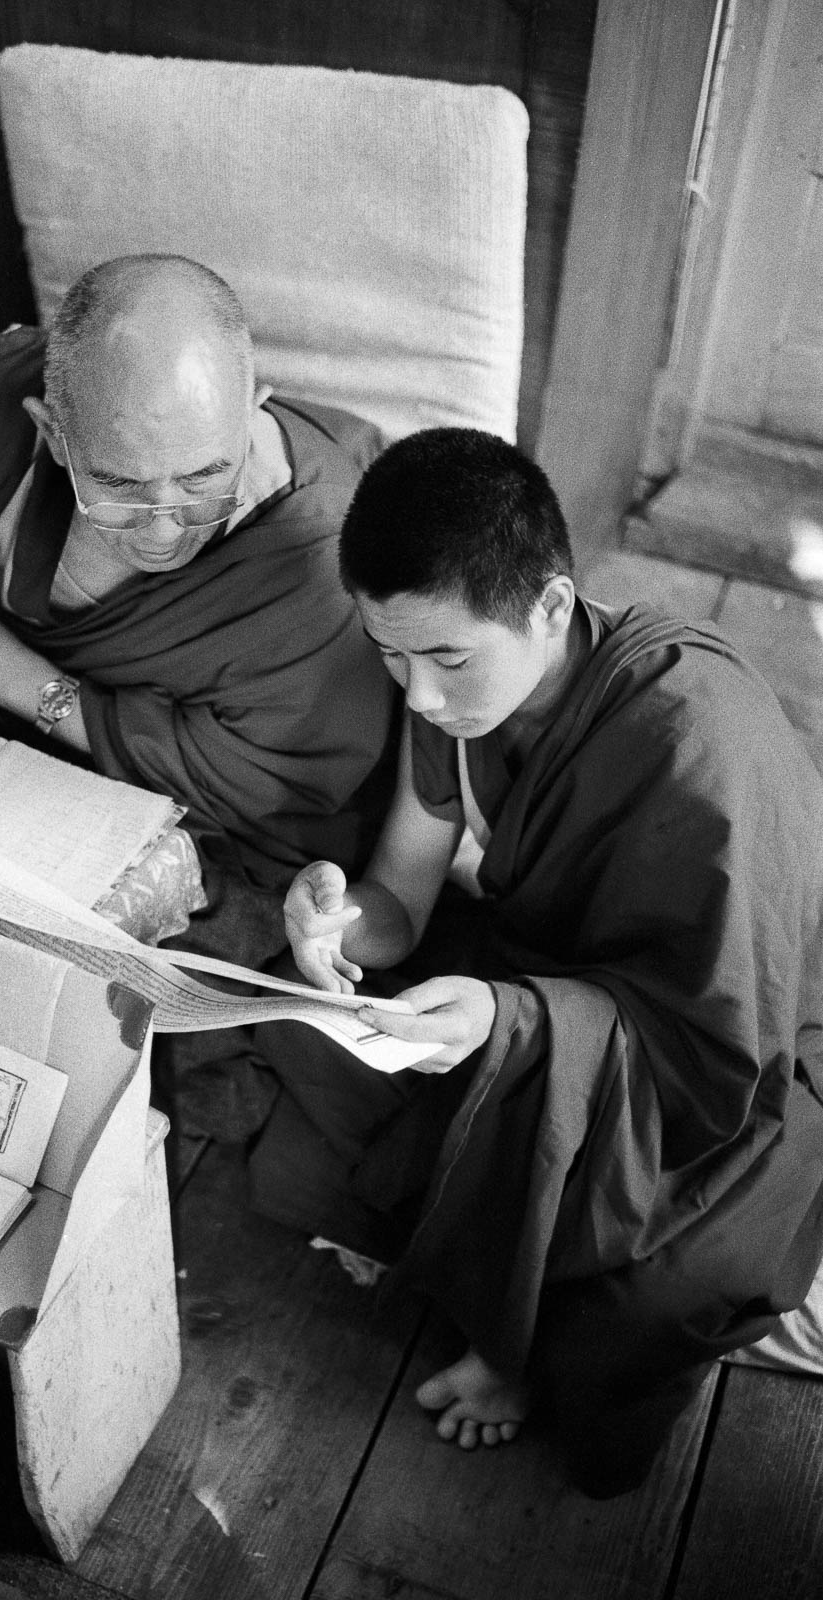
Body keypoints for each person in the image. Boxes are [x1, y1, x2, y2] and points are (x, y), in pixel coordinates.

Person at [248, 427, 823, 1497]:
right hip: (559, 982)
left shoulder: (696, 746)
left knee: (666, 1287)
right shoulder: (453, 708)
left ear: (551, 605)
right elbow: (400, 904)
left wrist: (509, 1022)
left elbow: (713, 1048)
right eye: (388, 654)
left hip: (743, 1048)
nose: (414, 695)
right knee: (307, 1082)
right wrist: (333, 918)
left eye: (446, 657)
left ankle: (523, 1351)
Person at [0, 254, 395, 969]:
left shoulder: (323, 551)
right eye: (119, 485)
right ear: (53, 434)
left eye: (205, 477)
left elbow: (269, 799)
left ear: (253, 409)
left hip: (192, 813)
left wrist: (12, 677)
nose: (162, 530)